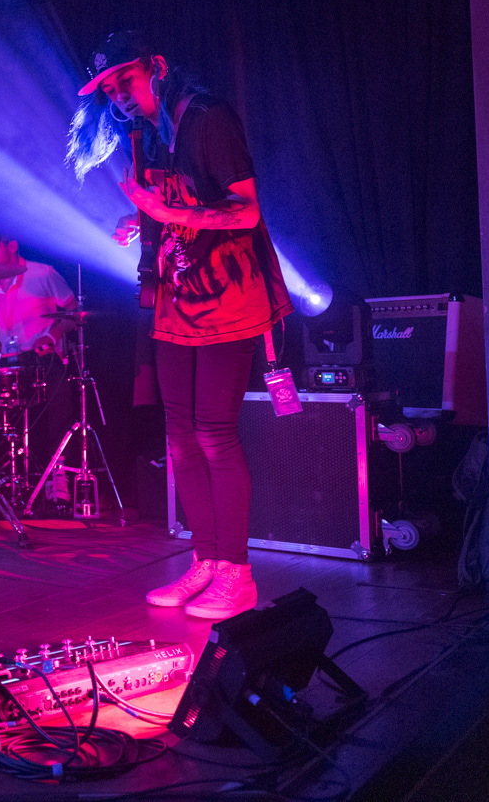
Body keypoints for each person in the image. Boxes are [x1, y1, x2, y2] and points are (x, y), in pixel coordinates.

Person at [72, 31, 291, 621]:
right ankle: (206, 561)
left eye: (125, 79)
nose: (118, 95)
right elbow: (174, 203)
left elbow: (245, 210)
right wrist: (139, 220)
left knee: (215, 434)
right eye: (109, 89)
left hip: (229, 296)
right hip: (176, 299)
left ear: (157, 67)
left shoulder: (208, 119)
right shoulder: (146, 135)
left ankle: (237, 573)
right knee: (180, 437)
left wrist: (166, 211)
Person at [0, 233, 77, 510]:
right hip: (9, 362)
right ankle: (15, 483)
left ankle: (58, 478)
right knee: (8, 425)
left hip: (44, 359)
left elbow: (74, 311)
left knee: (55, 421)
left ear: (12, 246)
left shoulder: (43, 273)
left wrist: (51, 336)